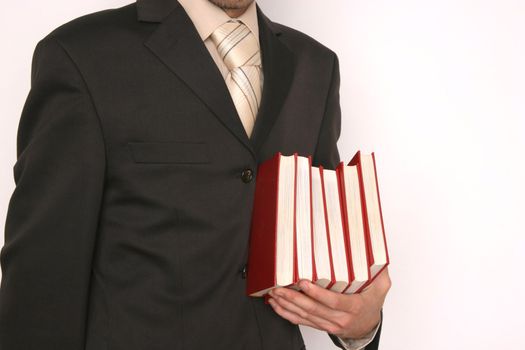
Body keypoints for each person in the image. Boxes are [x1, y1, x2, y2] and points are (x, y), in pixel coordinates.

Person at [0, 0, 391, 349]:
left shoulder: (315, 65)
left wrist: (361, 325)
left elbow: (328, 252)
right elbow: (42, 275)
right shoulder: (83, 55)